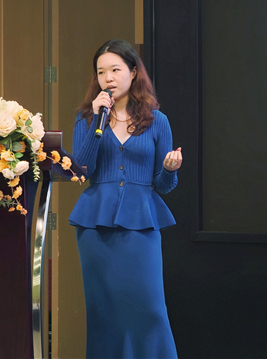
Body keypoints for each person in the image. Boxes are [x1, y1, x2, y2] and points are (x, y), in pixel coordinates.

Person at [69, 39, 182, 359]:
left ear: (133, 72)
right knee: (104, 315)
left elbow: (163, 185)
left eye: (115, 70)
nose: (108, 78)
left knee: (150, 310)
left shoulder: (157, 121)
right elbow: (81, 171)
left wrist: (169, 169)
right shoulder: (86, 118)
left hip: (141, 223)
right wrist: (97, 120)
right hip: (95, 226)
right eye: (101, 71)